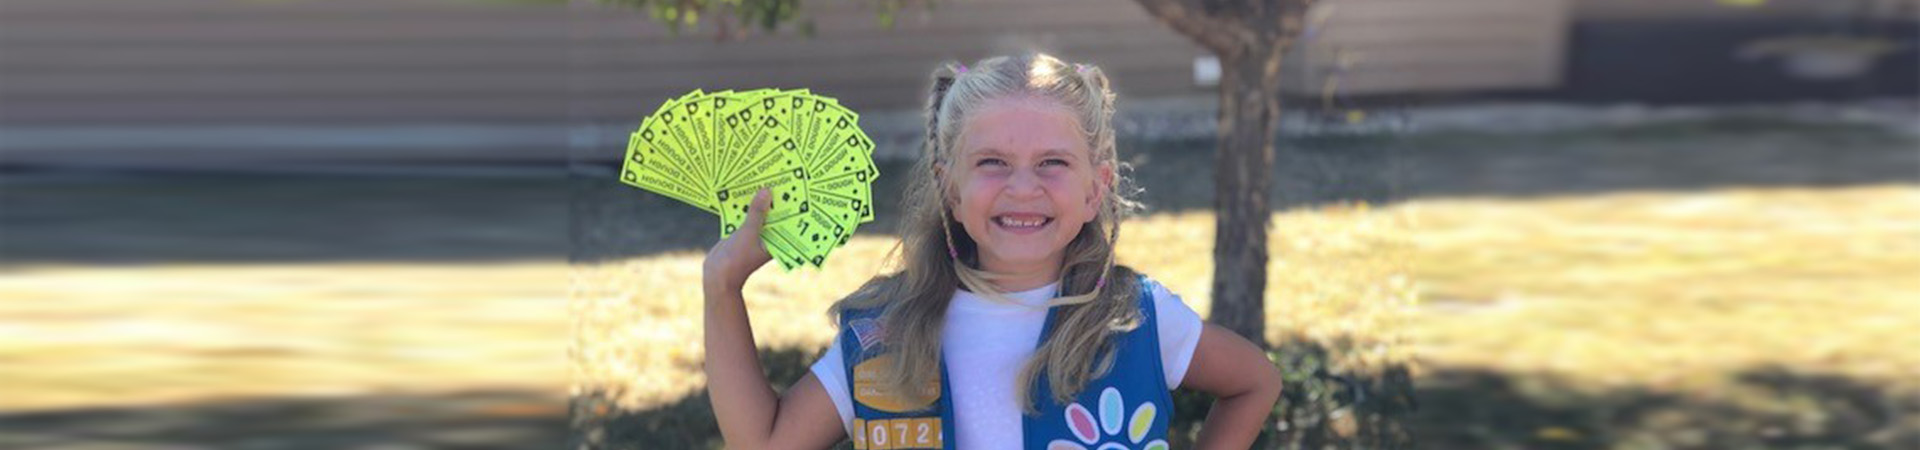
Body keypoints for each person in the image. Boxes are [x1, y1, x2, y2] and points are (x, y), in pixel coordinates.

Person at [701, 53, 1282, 450]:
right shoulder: (886, 331)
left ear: (1094, 189)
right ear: (950, 188)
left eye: (1052, 162)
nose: (1022, 186)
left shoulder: (1140, 319)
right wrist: (722, 288)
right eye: (992, 163)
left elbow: (1256, 381)